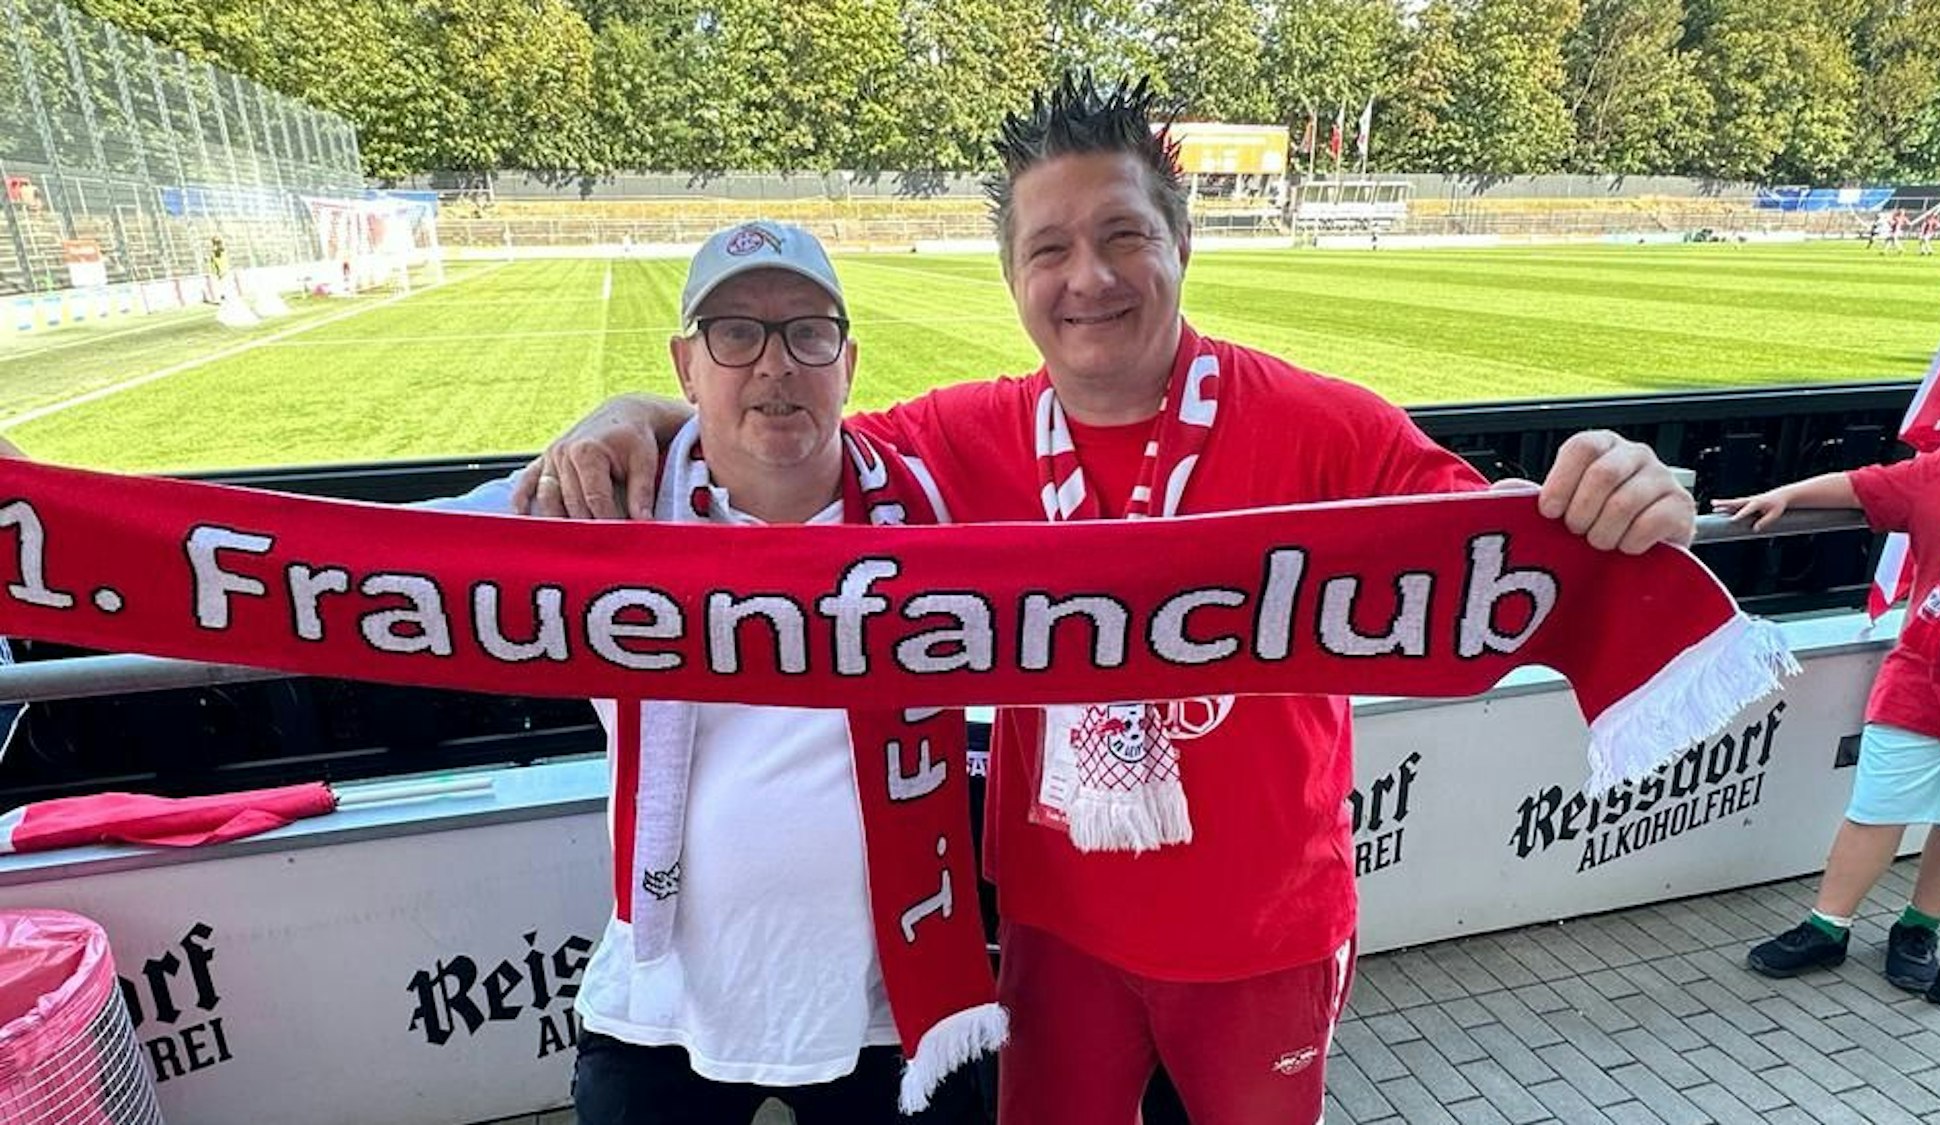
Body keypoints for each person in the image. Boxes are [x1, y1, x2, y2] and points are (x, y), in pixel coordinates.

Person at [516, 74, 1696, 1125]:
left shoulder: (1323, 425)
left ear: (1182, 245)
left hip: (1259, 937)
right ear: (1012, 280)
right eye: (1047, 250)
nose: (1085, 278)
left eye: (1122, 235)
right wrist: (630, 410)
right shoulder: (958, 440)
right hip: (1054, 932)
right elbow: (781, 426)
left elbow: (1482, 541)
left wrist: (1608, 490)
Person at [448, 222, 991, 1124]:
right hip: (663, 1002)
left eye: (806, 331)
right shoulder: (599, 513)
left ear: (848, 362)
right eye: (735, 332)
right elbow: (376, 565)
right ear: (686, 365)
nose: (774, 363)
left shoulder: (934, 508)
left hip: (890, 1005)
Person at [1721, 412, 1940, 993]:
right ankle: (1829, 926)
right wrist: (1788, 494)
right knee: (1877, 808)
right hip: (1921, 681)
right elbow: (1863, 486)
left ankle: (1919, 928)